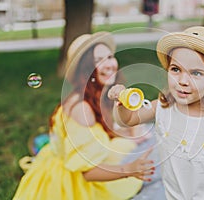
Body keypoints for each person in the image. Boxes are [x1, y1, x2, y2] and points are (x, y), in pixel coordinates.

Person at [13, 32, 155, 200]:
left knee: (132, 143)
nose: (109, 64)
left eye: (110, 57)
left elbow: (99, 133)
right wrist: (130, 169)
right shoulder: (81, 108)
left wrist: (128, 133)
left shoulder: (96, 96)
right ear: (85, 69)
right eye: (98, 61)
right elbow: (87, 172)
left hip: (80, 159)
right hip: (72, 182)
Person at [108, 26, 204, 200]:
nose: (183, 81)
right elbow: (129, 120)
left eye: (196, 73)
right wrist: (122, 103)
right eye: (176, 69)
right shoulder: (163, 108)